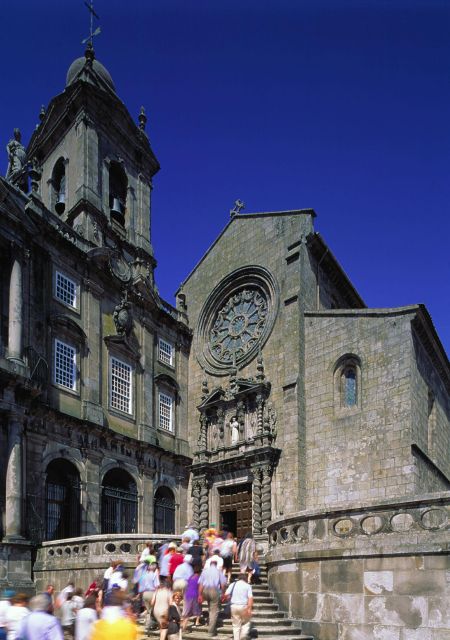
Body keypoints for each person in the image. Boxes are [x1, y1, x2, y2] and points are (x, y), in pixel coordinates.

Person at [198, 559, 227, 639]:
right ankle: (211, 631)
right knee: (213, 611)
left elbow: (201, 584)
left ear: (210, 564)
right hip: (214, 589)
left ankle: (209, 622)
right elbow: (223, 584)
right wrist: (223, 593)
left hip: (205, 590)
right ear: (216, 564)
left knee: (210, 607)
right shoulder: (219, 571)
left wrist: (200, 595)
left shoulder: (204, 571)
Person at [224, 573, 253, 640]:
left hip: (234, 606)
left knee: (236, 625)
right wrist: (249, 608)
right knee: (246, 623)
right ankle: (243, 636)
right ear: (245, 579)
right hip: (244, 606)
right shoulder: (248, 586)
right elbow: (250, 598)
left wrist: (229, 598)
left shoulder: (232, 584)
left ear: (238, 578)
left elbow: (226, 595)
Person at [139, 562, 160, 633]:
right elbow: (157, 586)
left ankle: (147, 624)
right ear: (154, 568)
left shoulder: (144, 575)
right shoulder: (154, 575)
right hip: (151, 593)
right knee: (152, 610)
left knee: (148, 610)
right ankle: (150, 625)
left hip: (145, 593)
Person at [181, 567, 202, 632]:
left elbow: (185, 586)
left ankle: (182, 626)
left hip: (187, 595)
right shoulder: (199, 578)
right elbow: (200, 587)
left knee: (187, 611)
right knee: (198, 607)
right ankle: (197, 622)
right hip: (194, 594)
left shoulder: (190, 578)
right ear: (199, 573)